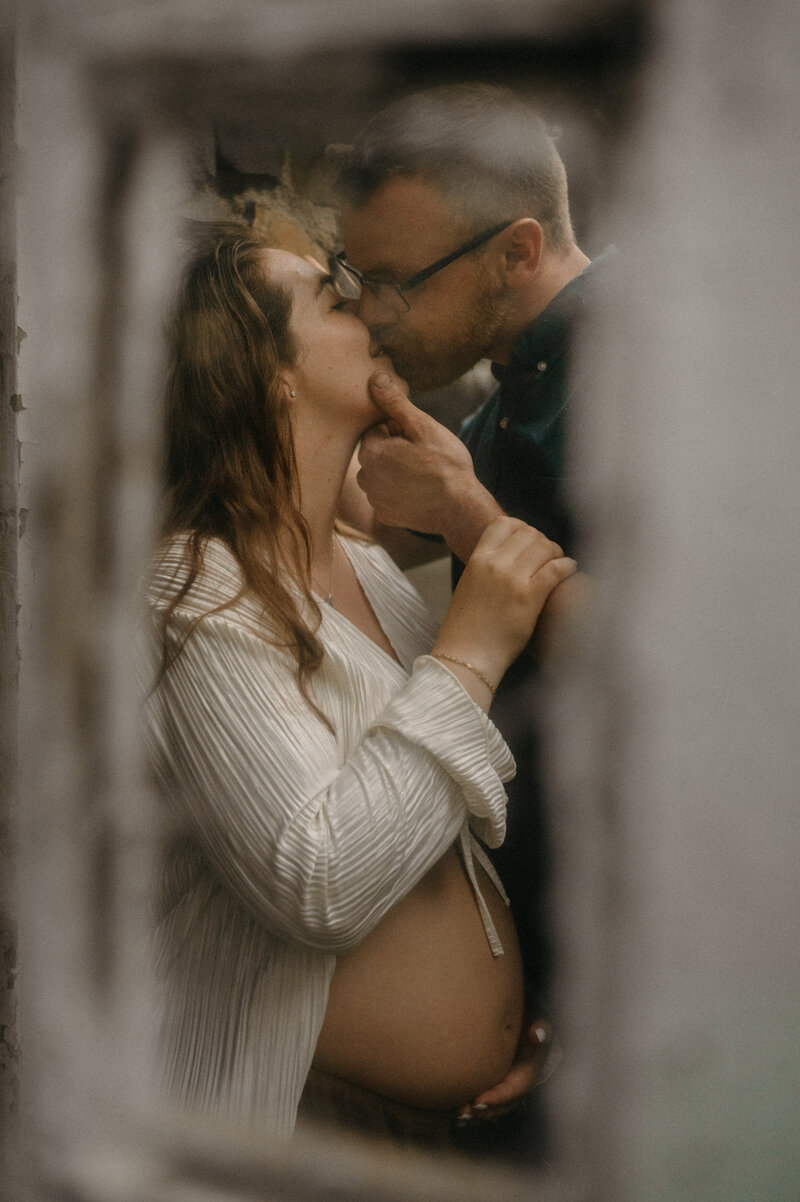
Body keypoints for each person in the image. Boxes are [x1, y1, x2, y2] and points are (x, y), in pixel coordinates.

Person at [143, 223, 577, 1150]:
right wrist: (469, 656)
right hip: (306, 1125)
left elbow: (441, 818)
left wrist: (511, 1007)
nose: (372, 307)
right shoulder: (192, 589)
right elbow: (319, 881)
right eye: (335, 300)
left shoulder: (365, 567)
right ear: (270, 374)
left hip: (449, 1121)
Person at [332, 84, 614, 1010]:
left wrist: (463, 515)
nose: (371, 313)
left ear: (517, 251)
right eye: (353, 275)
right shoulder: (513, 384)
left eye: (395, 283)